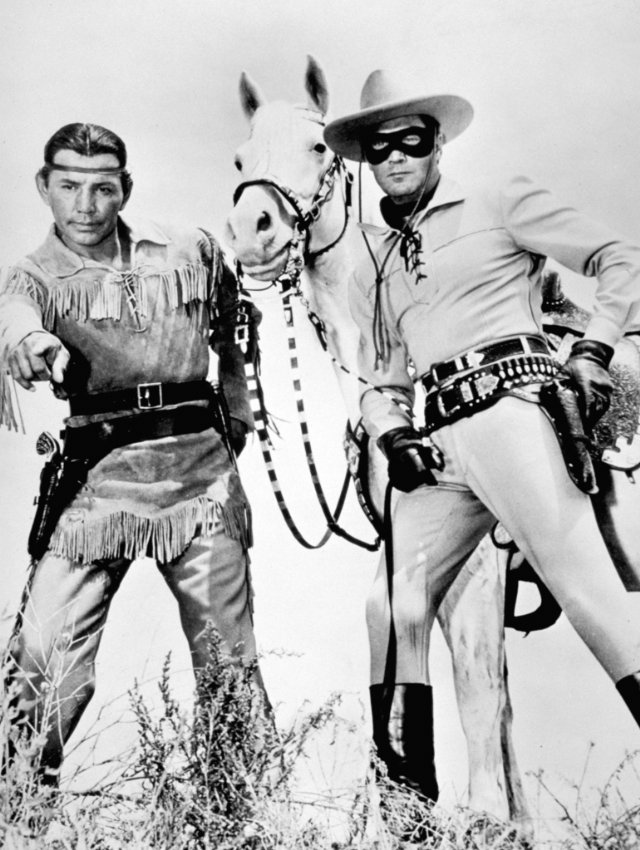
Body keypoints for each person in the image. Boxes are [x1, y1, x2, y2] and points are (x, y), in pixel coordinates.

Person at [323, 69, 640, 802]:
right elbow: (380, 380)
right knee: (390, 605)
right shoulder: (375, 264)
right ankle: (407, 817)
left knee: (590, 599)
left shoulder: (498, 202)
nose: (396, 157)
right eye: (379, 148)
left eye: (410, 140)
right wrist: (392, 434)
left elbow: (618, 258)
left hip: (512, 412)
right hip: (439, 442)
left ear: (437, 144)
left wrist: (594, 350)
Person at [0, 122, 266, 786]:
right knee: (43, 653)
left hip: (199, 474)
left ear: (126, 188)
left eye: (102, 188)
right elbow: (14, 321)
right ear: (43, 187)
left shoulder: (189, 250)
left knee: (228, 660)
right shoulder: (34, 275)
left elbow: (234, 325)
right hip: (99, 479)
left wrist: (237, 411)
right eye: (69, 187)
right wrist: (34, 345)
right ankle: (19, 807)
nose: (86, 206)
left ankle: (237, 817)